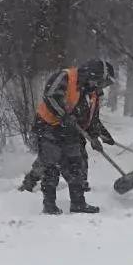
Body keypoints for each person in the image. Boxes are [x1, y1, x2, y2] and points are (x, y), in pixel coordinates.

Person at [29, 59, 116, 214]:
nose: (100, 87)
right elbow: (50, 96)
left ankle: (78, 203)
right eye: (101, 83)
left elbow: (91, 119)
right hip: (49, 126)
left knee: (76, 165)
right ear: (93, 76)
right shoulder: (66, 77)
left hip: (69, 131)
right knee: (51, 166)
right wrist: (64, 115)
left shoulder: (92, 93)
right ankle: (49, 205)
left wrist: (98, 136)